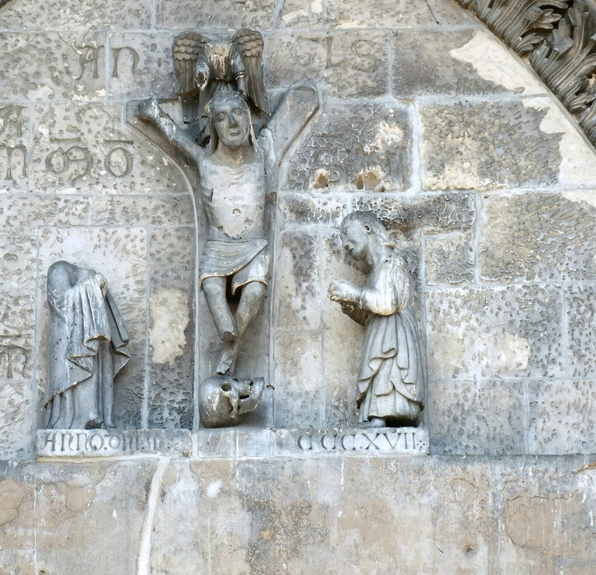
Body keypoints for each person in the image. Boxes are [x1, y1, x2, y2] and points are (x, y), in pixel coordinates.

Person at [137, 83, 317, 374]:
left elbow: (292, 113)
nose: (232, 122)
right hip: (218, 245)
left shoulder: (262, 154)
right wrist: (154, 114)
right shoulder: (205, 161)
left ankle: (231, 346)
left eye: (238, 113)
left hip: (254, 243)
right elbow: (176, 138)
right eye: (221, 117)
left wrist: (303, 100)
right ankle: (226, 331)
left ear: (248, 118)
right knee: (211, 286)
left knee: (255, 292)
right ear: (214, 128)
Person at [328, 211, 425, 427]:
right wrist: (350, 305)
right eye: (341, 239)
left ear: (367, 228)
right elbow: (371, 314)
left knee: (389, 371)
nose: (344, 244)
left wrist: (354, 293)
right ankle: (378, 417)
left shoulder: (391, 263)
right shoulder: (375, 272)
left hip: (394, 340)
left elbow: (386, 304)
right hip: (381, 338)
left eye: (346, 233)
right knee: (380, 373)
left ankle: (386, 415)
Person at [46, 260, 130, 430]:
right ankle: (74, 419)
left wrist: (94, 286)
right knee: (77, 367)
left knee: (92, 356)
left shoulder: (79, 275)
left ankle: (92, 416)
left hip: (88, 341)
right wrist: (92, 285)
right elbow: (62, 302)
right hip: (67, 340)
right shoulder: (58, 269)